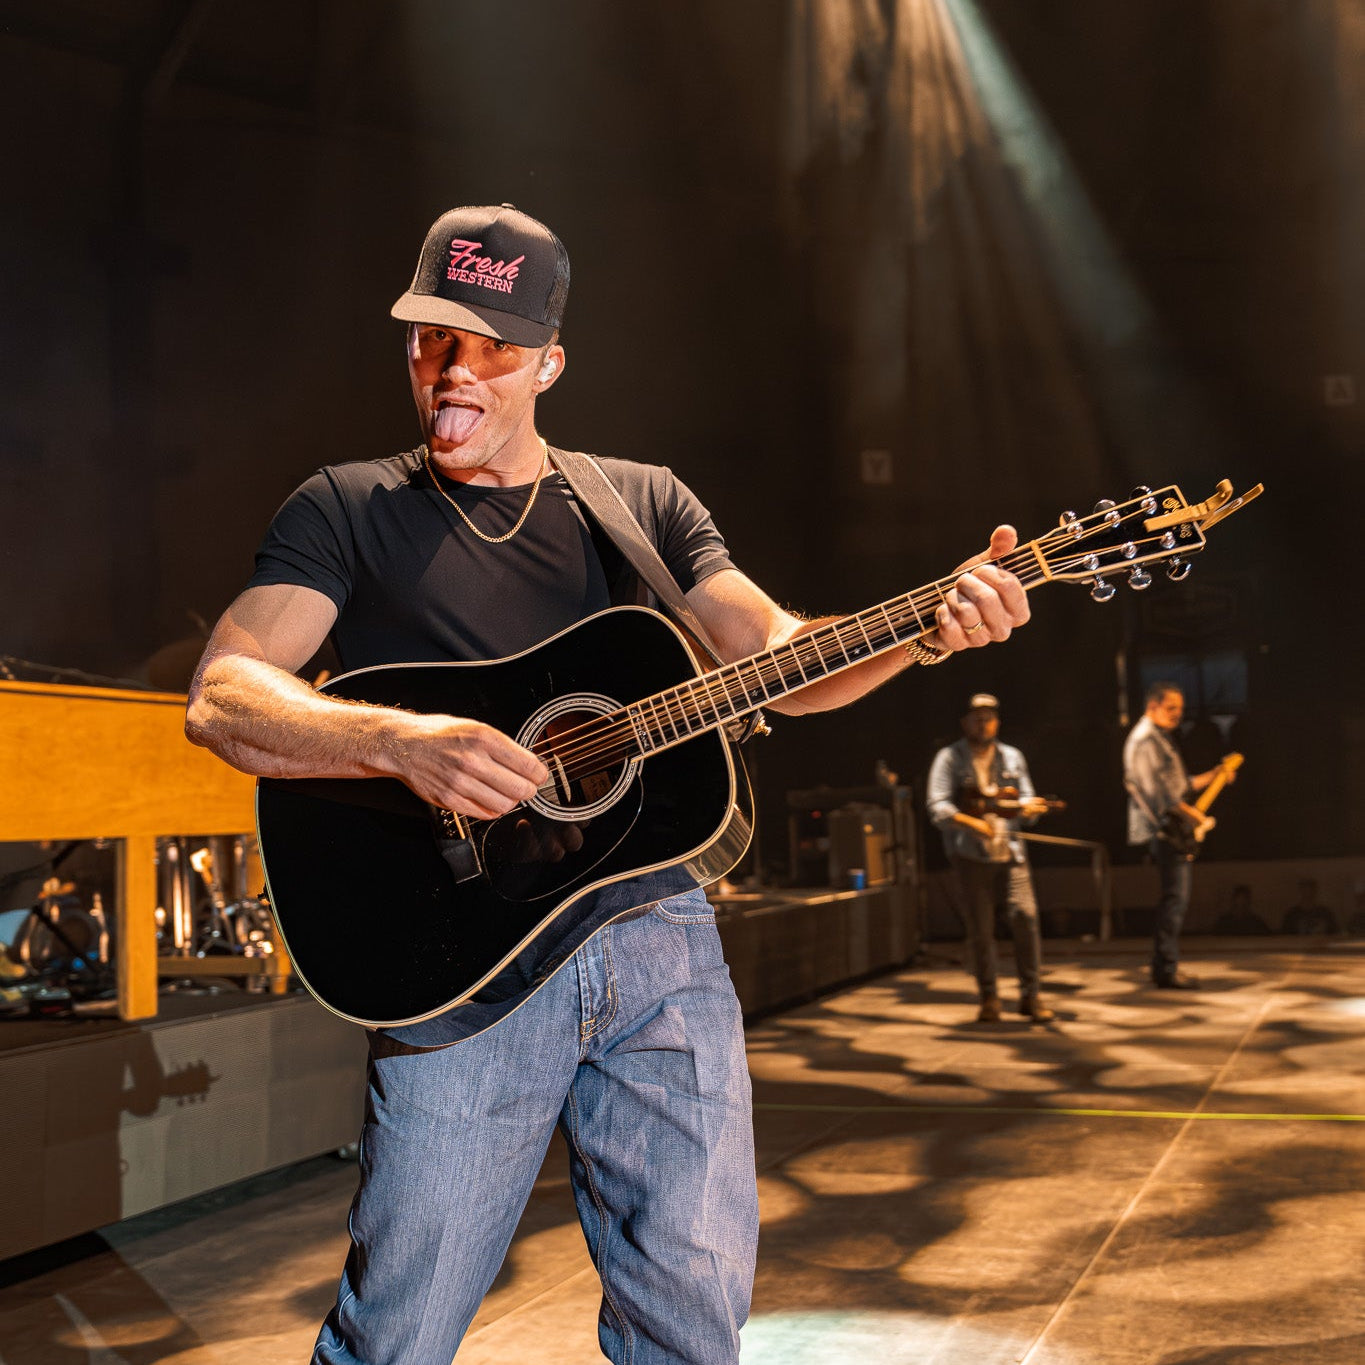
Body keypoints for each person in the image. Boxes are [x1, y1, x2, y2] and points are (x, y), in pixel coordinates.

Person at [185, 203, 1032, 1365]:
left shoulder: (641, 504)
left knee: (690, 1318)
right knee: (398, 1333)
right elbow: (225, 696)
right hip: (461, 973)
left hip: (656, 949)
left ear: (548, 362)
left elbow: (779, 662)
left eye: (489, 347)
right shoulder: (347, 510)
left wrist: (926, 630)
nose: (453, 372)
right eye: (432, 339)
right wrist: (402, 742)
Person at [926, 693, 1055, 1023]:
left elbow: (1024, 802)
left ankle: (1031, 995)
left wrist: (1031, 808)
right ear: (965, 722)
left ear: (997, 721)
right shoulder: (950, 757)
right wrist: (971, 824)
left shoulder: (1012, 757)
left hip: (1010, 849)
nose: (983, 723)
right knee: (981, 929)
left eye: (989, 717)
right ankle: (989, 997)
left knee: (1025, 918)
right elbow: (937, 806)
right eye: (977, 718)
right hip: (970, 854)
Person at [1123, 681, 1234, 988]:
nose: (1177, 716)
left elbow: (1180, 785)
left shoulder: (1159, 739)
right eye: (1171, 708)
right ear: (1152, 706)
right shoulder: (1146, 740)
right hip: (1165, 830)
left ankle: (1167, 966)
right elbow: (1160, 796)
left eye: (1180, 710)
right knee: (1174, 900)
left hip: (1173, 825)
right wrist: (1196, 818)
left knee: (1175, 901)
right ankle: (1165, 969)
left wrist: (1216, 775)